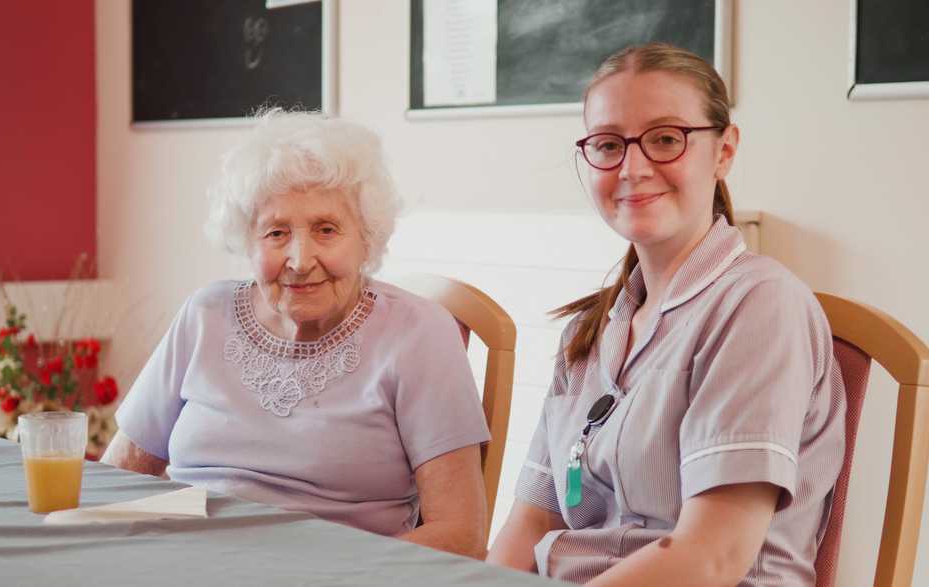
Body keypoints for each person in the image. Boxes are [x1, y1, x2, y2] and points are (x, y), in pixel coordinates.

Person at [487, 43, 846, 585]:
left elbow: (710, 558)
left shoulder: (760, 306)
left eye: (665, 139)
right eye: (608, 144)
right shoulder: (585, 334)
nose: (633, 168)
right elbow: (529, 521)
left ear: (724, 150)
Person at [102, 109, 490, 559]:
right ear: (247, 241)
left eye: (326, 230)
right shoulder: (205, 314)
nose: (300, 259)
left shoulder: (419, 334)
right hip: (182, 561)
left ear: (367, 239)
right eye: (276, 233)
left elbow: (461, 534)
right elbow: (120, 474)